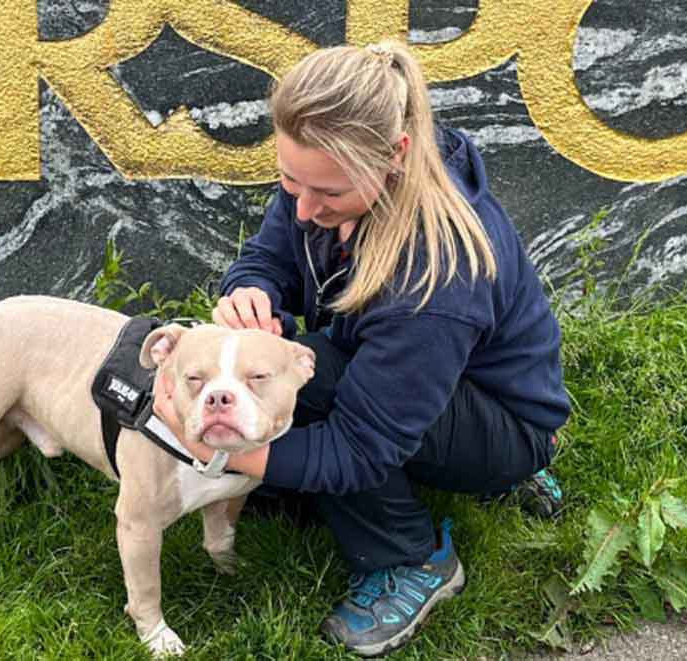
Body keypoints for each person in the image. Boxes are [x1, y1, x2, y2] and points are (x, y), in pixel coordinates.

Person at [153, 40, 571, 657]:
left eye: (327, 194)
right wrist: (251, 290)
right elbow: (269, 255)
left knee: (314, 392)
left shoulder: (437, 277)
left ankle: (411, 560)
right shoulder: (333, 169)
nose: (303, 208)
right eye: (288, 181)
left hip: (507, 423)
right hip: (418, 377)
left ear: (394, 155)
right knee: (299, 392)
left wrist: (216, 452)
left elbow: (358, 451)